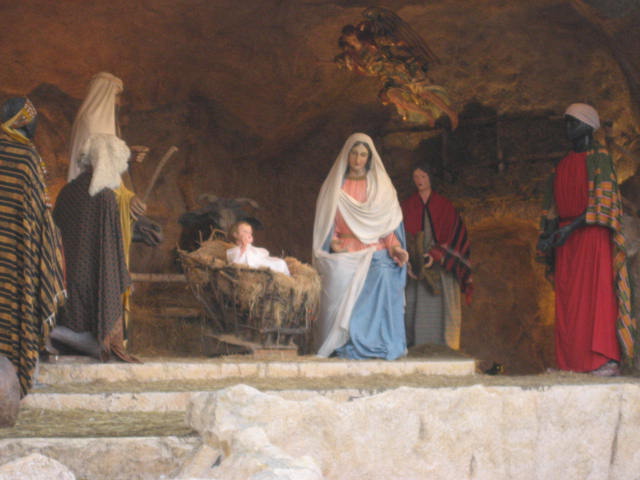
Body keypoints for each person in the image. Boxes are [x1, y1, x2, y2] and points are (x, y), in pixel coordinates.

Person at [51, 72, 145, 361]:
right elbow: (109, 248)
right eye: (116, 96)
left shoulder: (67, 193)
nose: (118, 103)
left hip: (75, 254)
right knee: (96, 282)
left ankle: (64, 334)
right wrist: (122, 277)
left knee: (77, 285)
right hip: (90, 237)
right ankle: (92, 339)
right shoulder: (104, 196)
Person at [537, 103, 636, 376]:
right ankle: (570, 363)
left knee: (595, 297)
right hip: (566, 240)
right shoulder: (562, 165)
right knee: (567, 303)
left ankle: (603, 360)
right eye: (566, 123)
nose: (568, 128)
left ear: (589, 125)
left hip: (592, 235)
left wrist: (570, 228)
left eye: (573, 122)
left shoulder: (600, 159)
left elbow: (604, 204)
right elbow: (552, 207)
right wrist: (548, 235)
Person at [312, 132, 409, 360]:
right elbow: (327, 226)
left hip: (376, 248)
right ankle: (347, 342)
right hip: (347, 250)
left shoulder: (380, 186)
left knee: (383, 273)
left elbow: (386, 226)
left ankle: (380, 342)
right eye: (354, 154)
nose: (358, 159)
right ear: (347, 155)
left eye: (363, 155)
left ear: (369, 158)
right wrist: (333, 242)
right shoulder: (335, 187)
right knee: (340, 274)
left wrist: (395, 247)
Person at [0, 97, 65, 395]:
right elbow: (39, 211)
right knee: (16, 311)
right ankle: (15, 380)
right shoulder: (27, 156)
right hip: (18, 256)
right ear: (25, 122)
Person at [401, 163, 472, 349]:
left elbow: (455, 236)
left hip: (442, 267)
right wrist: (411, 260)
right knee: (413, 307)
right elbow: (400, 237)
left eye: (423, 176)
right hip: (415, 269)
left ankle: (446, 348)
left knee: (443, 309)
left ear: (431, 178)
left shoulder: (444, 206)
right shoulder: (407, 206)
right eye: (416, 177)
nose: (419, 181)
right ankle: (417, 348)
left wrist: (436, 254)